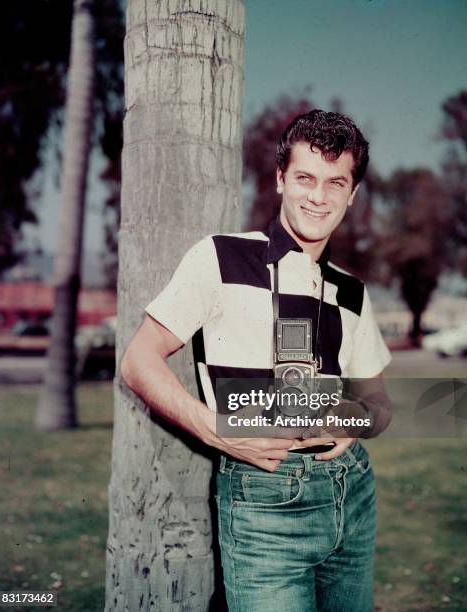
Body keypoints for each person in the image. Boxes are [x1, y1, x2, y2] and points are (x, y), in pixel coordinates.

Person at [121, 109, 392, 611]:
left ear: (352, 195)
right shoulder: (220, 258)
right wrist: (213, 426)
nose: (318, 196)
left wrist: (354, 424)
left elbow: (378, 401)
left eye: (336, 183)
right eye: (305, 178)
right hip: (263, 497)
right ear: (280, 178)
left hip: (351, 493)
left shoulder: (352, 291)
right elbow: (138, 362)